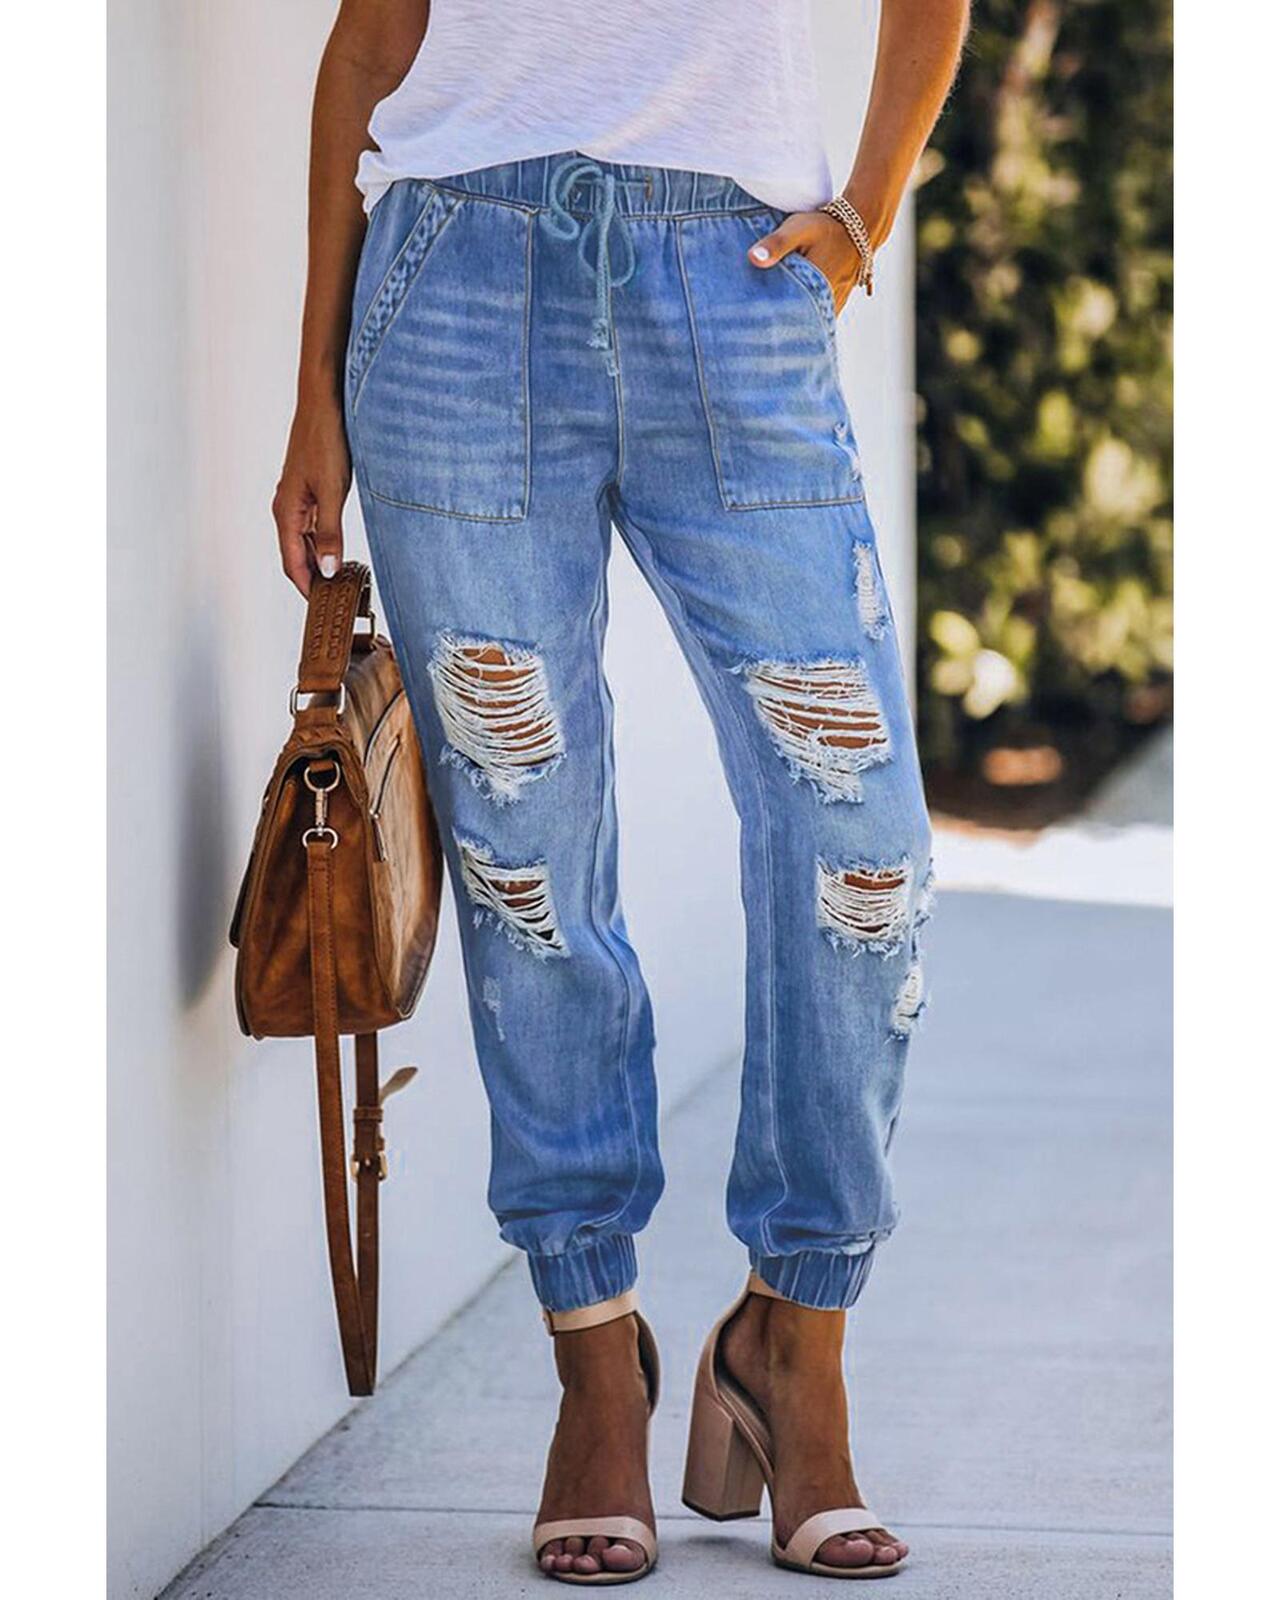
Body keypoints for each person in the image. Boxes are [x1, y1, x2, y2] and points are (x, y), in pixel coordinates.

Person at [274, 0, 969, 1582]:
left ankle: (795, 1340)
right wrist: (312, 389)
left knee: (858, 843)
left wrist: (869, 206)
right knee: (523, 856)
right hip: (454, 292)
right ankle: (595, 1357)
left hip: (736, 281)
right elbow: (372, 40)